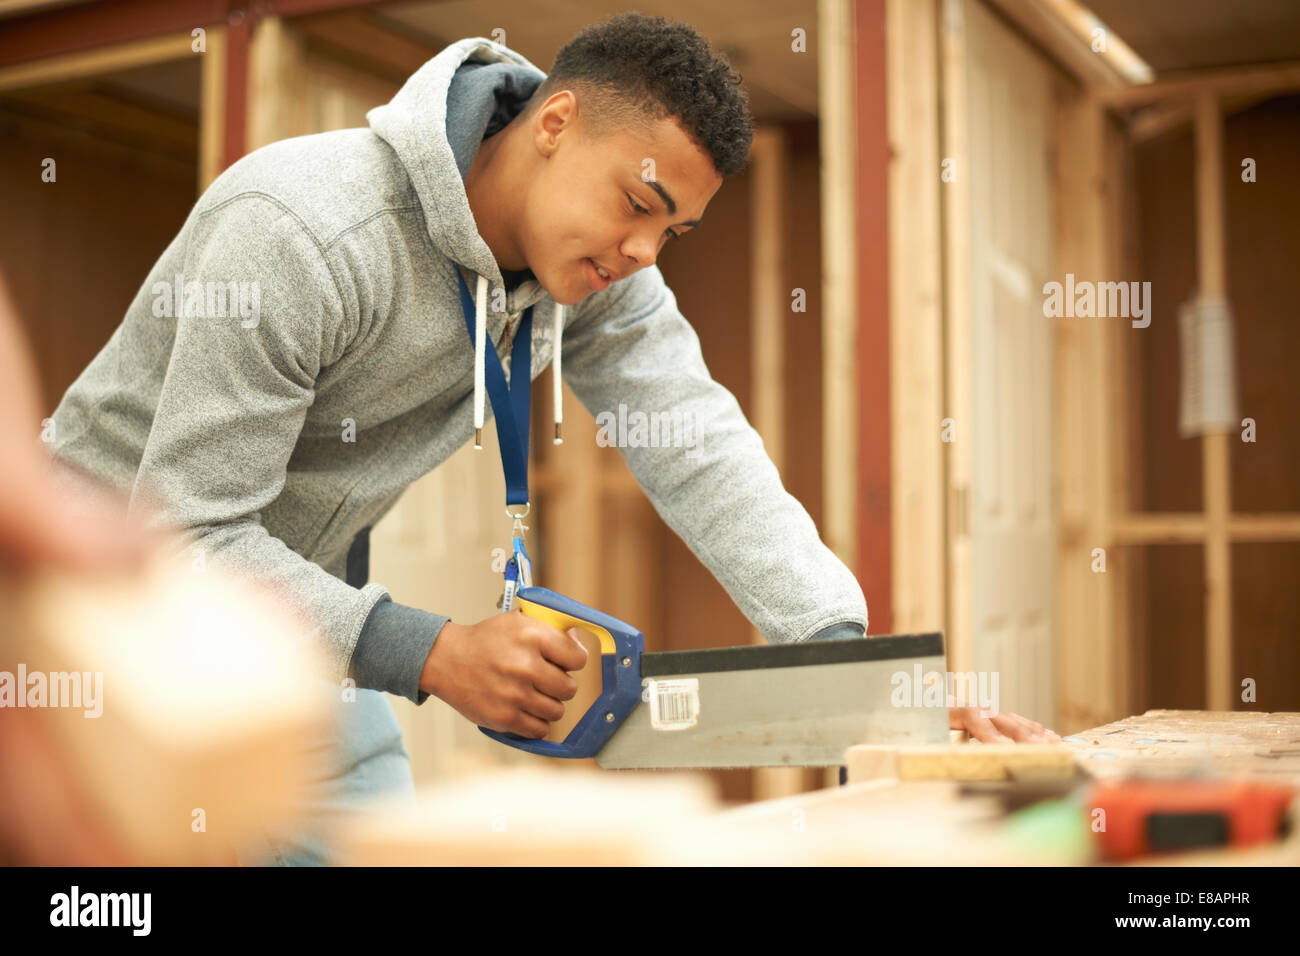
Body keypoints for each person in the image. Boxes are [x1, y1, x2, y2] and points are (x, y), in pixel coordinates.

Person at [45, 13, 1056, 865]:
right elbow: (187, 535)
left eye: (672, 233)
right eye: (638, 206)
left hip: (286, 623)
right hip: (91, 628)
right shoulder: (301, 229)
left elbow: (698, 442)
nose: (641, 253)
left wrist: (846, 671)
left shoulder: (591, 273)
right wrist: (431, 649)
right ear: (556, 124)